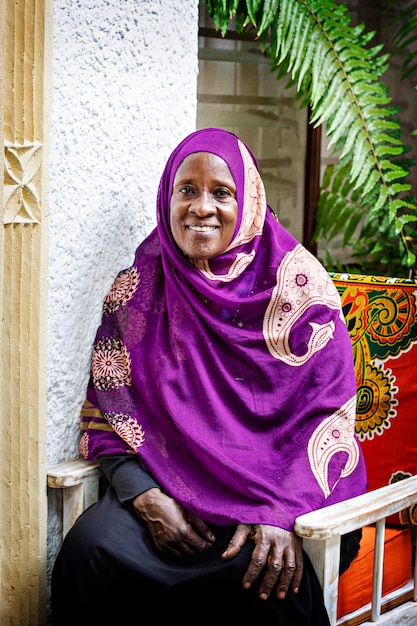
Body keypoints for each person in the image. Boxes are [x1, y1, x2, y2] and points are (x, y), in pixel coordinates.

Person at [51, 128, 367, 625]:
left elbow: (329, 419)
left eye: (222, 193)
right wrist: (146, 497)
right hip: (173, 496)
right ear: (167, 199)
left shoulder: (299, 290)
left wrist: (282, 513)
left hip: (278, 501)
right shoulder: (138, 289)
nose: (202, 208)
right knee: (89, 551)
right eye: (187, 191)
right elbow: (110, 417)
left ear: (250, 201)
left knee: (266, 578)